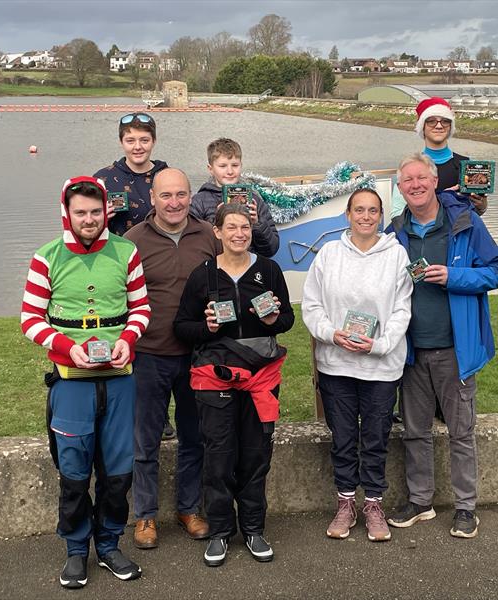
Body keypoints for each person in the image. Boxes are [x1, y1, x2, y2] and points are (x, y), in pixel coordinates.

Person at [20, 177, 151, 588]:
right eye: (81, 213)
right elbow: (29, 319)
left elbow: (141, 308)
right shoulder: (47, 257)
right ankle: (76, 551)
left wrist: (128, 340)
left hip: (119, 380)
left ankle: (109, 545)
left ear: (105, 212)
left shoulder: (126, 251)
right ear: (68, 213)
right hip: (71, 382)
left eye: (96, 212)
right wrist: (64, 345)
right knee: (74, 472)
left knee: (117, 472)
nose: (89, 220)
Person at [385, 154, 498, 539]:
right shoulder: (395, 231)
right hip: (410, 350)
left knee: (461, 432)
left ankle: (466, 507)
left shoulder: (465, 222)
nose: (416, 185)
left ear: (436, 181)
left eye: (422, 178)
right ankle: (421, 501)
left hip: (456, 347)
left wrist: (453, 276)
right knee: (415, 431)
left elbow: (497, 271)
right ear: (400, 188)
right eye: (408, 180)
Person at [174, 203, 294, 567]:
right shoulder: (203, 276)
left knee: (256, 455)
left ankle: (255, 529)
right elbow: (182, 326)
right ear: (218, 231)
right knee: (219, 457)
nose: (239, 234)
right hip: (216, 376)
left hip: (261, 377)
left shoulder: (269, 270)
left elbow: (287, 319)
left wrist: (273, 318)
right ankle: (221, 532)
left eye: (245, 227)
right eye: (232, 227)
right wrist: (207, 328)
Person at [301, 188, 412, 542]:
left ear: (381, 216)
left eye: (373, 211)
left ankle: (374, 504)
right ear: (347, 215)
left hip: (381, 366)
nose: (366, 216)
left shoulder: (396, 256)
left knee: (376, 438)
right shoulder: (330, 254)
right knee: (344, 439)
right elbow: (312, 305)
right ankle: (346, 502)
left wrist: (379, 345)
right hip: (337, 364)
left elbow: (401, 310)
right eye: (359, 210)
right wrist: (331, 334)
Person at [125, 168, 218, 549]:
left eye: (181, 194)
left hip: (197, 355)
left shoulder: (207, 236)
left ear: (190, 195)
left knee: (194, 437)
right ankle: (145, 516)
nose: (175, 202)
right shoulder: (133, 241)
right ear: (152, 198)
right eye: (166, 195)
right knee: (144, 440)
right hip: (149, 355)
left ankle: (188, 507)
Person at [189, 137, 279, 257]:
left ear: (241, 165)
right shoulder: (199, 201)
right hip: (215, 268)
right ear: (210, 169)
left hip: (249, 267)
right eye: (222, 166)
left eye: (235, 165)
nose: (230, 171)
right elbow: (193, 247)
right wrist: (216, 221)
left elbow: (271, 249)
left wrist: (257, 224)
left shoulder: (254, 200)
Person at [94, 112, 169, 236]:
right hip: (120, 252)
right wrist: (97, 219)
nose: (137, 147)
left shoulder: (168, 176)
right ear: (121, 142)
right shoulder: (103, 180)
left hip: (161, 252)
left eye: (144, 140)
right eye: (130, 141)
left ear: (154, 141)